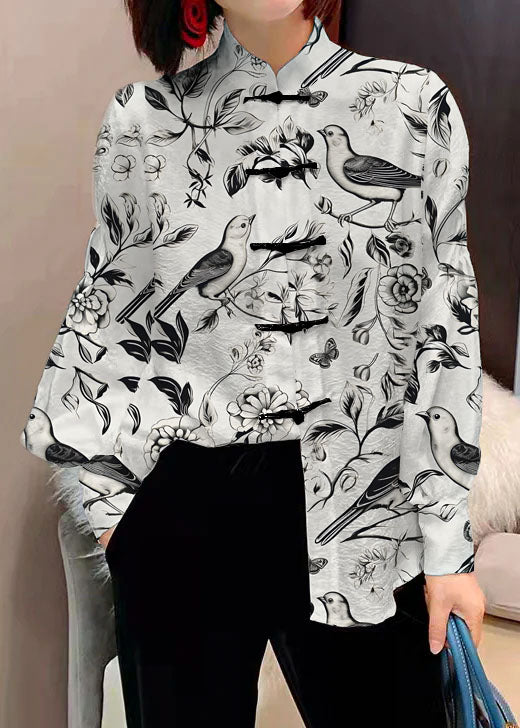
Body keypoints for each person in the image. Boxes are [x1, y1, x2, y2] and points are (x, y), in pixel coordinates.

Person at [20, 0, 486, 725]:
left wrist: (449, 550)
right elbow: (104, 323)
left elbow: (444, 324)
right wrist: (119, 517)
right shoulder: (144, 122)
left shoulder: (412, 106)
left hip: (362, 505)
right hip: (190, 506)